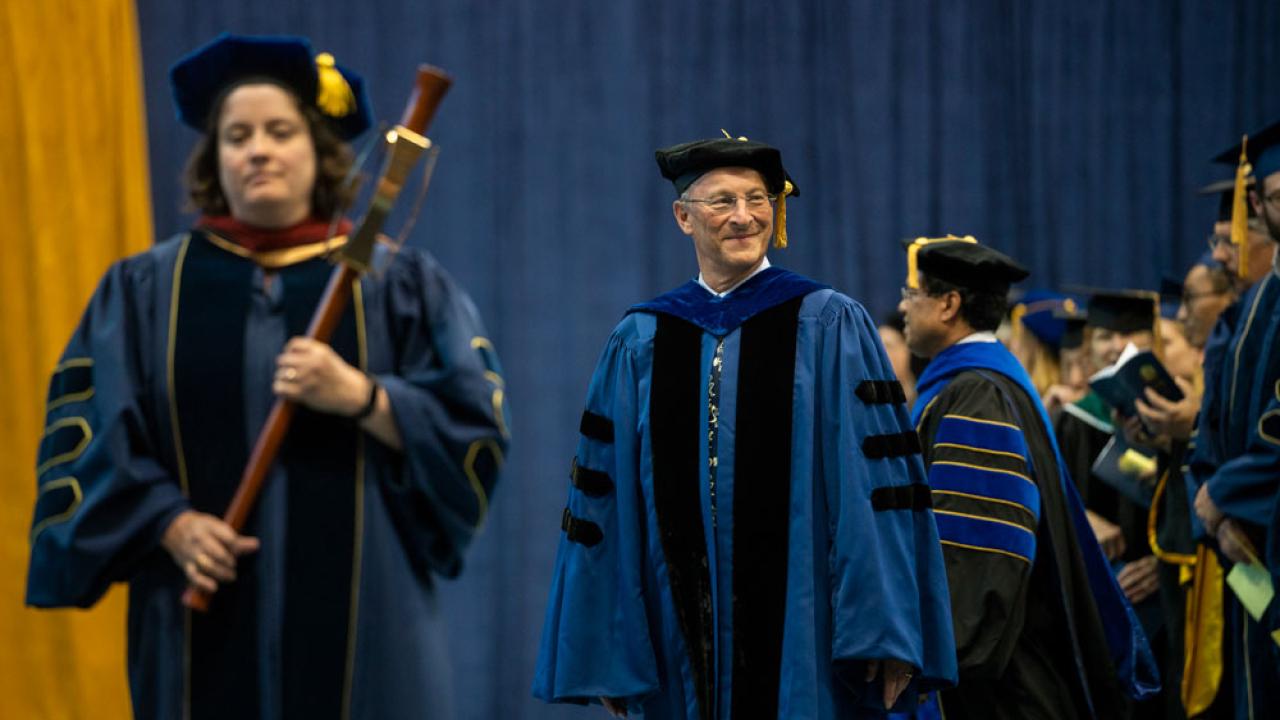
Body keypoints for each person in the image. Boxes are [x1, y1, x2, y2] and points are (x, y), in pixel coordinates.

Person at [25, 34, 508, 720]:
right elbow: (89, 431)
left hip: (369, 621)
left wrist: (365, 398)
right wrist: (169, 523)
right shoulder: (144, 291)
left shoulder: (396, 283)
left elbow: (474, 421)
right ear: (213, 160)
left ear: (318, 152)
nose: (257, 150)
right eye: (237, 135)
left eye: (280, 132)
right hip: (194, 613)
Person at [533, 137, 956, 719]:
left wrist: (886, 630)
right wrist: (610, 650)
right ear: (683, 217)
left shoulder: (830, 323)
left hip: (806, 633)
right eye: (722, 201)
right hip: (673, 632)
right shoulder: (641, 339)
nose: (744, 216)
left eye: (758, 199)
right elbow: (604, 503)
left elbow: (876, 490)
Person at [897, 237, 1157, 719]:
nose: (902, 306)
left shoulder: (977, 395)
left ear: (949, 304)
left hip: (1002, 683)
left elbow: (980, 552)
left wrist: (938, 656)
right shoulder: (986, 384)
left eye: (912, 294)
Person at [1190, 122, 1280, 719]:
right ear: (1258, 203)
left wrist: (1222, 494)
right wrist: (1212, 503)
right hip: (1248, 543)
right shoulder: (1251, 305)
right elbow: (1214, 420)